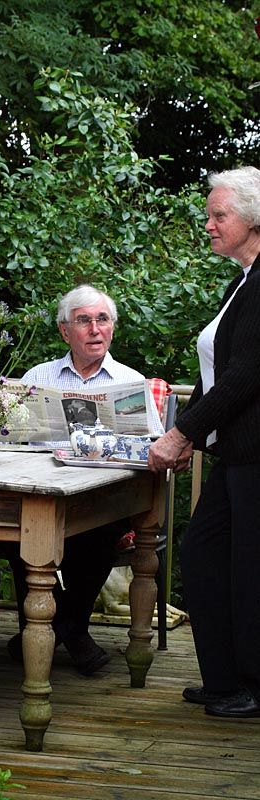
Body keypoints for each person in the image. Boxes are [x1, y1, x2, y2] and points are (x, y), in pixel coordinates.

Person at [4, 283, 163, 675]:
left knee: (97, 539)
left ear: (112, 327)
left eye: (102, 319)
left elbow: (156, 445)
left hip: (102, 499)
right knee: (10, 534)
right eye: (84, 320)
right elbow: (10, 438)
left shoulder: (129, 381)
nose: (95, 328)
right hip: (41, 490)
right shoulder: (38, 377)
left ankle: (58, 627)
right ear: (65, 331)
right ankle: (71, 631)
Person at [148, 166, 260, 718]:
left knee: (246, 569)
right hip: (236, 452)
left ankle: (249, 687)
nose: (209, 225)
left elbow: (246, 376)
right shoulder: (242, 280)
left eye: (220, 215)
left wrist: (182, 432)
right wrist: (194, 429)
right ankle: (224, 680)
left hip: (257, 455)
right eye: (210, 215)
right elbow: (222, 377)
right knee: (205, 553)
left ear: (254, 218)